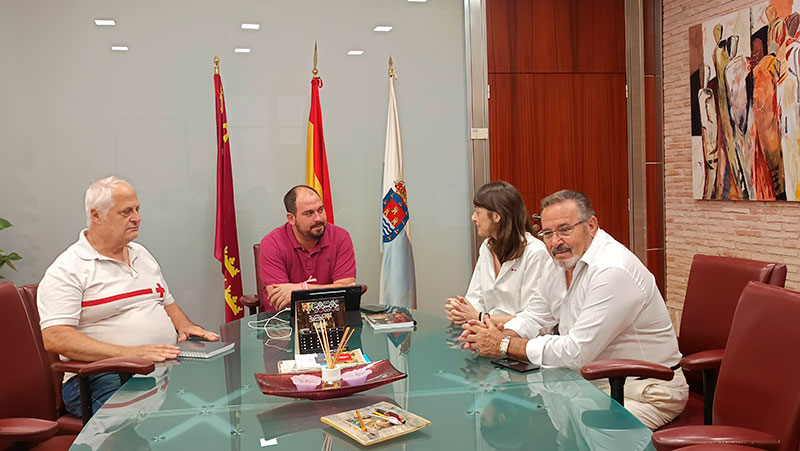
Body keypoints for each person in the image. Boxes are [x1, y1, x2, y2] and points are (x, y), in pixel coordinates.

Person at [460, 190, 688, 429]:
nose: (555, 241)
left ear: (591, 225)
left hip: (645, 391)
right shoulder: (557, 262)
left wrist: (503, 345)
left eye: (565, 229)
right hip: (588, 382)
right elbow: (536, 316)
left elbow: (577, 351)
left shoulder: (611, 271)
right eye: (547, 233)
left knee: (584, 437)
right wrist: (498, 333)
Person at [38, 176, 219, 418]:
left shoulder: (141, 254)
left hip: (161, 367)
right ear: (96, 215)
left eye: (137, 209)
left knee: (216, 403)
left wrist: (185, 326)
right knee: (144, 426)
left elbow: (166, 303)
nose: (137, 218)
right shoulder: (68, 269)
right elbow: (56, 339)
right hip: (103, 377)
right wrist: (130, 353)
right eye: (126, 212)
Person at [445, 181, 549, 325]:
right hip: (487, 332)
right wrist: (461, 311)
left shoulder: (535, 252)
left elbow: (533, 319)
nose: (473, 218)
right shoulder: (487, 247)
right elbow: (475, 298)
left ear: (496, 216)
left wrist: (479, 317)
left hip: (520, 340)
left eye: (477, 212)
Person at [259, 185, 356, 311]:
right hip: (283, 323)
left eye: (320, 210)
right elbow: (280, 301)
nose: (318, 218)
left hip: (331, 319)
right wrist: (330, 292)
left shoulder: (341, 237)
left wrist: (301, 288)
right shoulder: (272, 243)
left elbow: (346, 291)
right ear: (291, 218)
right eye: (309, 213)